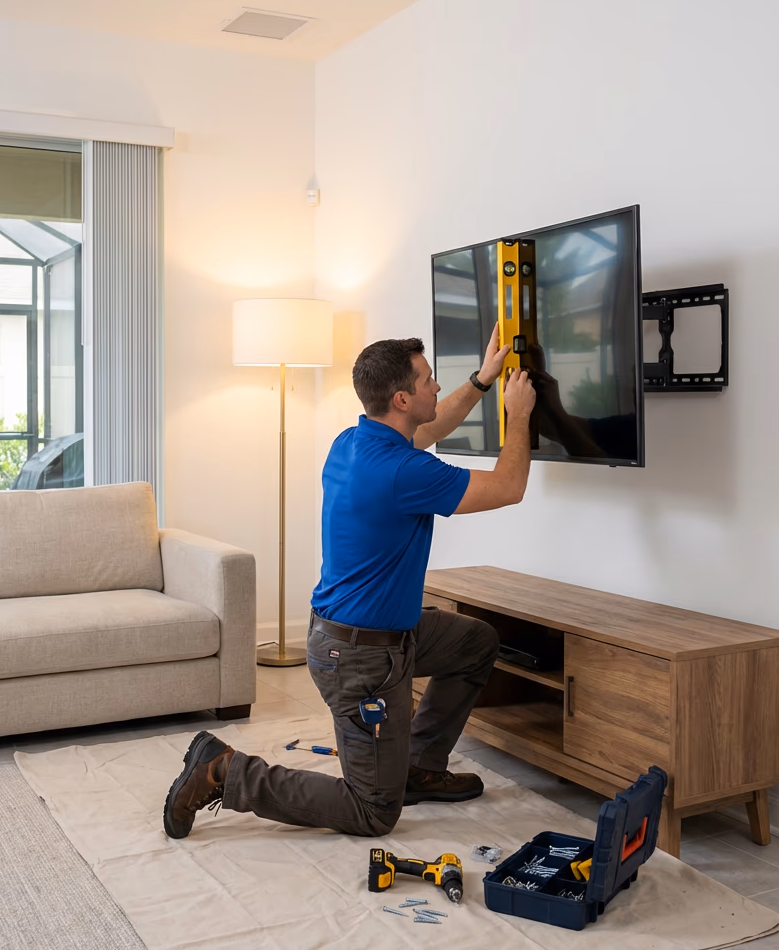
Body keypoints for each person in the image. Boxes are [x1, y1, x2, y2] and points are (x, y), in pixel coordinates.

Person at [163, 323, 536, 840]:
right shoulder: (404, 472)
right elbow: (509, 486)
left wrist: (481, 380)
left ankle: (416, 766)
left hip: (362, 636)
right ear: (402, 397)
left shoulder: (356, 441)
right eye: (428, 380)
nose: (435, 387)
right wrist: (519, 414)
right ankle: (224, 770)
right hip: (361, 662)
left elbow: (432, 426)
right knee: (374, 812)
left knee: (474, 641)